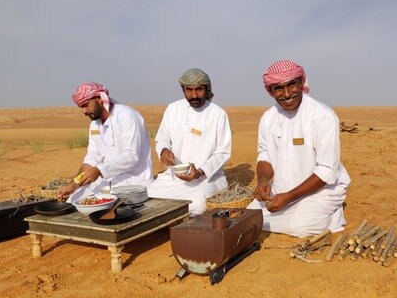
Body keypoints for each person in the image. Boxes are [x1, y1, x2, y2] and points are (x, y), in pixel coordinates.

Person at [247, 60, 351, 237]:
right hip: (281, 190)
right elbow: (264, 156)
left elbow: (326, 170)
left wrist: (289, 197)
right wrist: (263, 181)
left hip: (322, 189)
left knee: (301, 227)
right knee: (250, 218)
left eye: (291, 85)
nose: (287, 94)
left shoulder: (323, 116)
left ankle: (331, 214)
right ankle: (294, 213)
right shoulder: (268, 118)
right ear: (270, 91)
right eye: (278, 88)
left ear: (301, 83)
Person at [147, 68, 232, 215]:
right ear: (183, 89)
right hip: (174, 177)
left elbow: (223, 152)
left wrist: (200, 172)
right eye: (189, 90)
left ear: (206, 89)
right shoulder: (173, 109)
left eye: (198, 89)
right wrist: (163, 150)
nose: (194, 95)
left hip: (206, 179)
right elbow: (162, 138)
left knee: (197, 204)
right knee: (148, 195)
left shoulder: (218, 114)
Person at [57, 81, 154, 203]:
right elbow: (92, 159)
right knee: (73, 199)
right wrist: (74, 184)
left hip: (134, 180)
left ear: (99, 98)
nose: (84, 111)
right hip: (109, 180)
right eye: (81, 107)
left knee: (102, 203)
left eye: (86, 105)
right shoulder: (95, 125)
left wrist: (99, 170)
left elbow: (131, 156)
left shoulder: (127, 115)